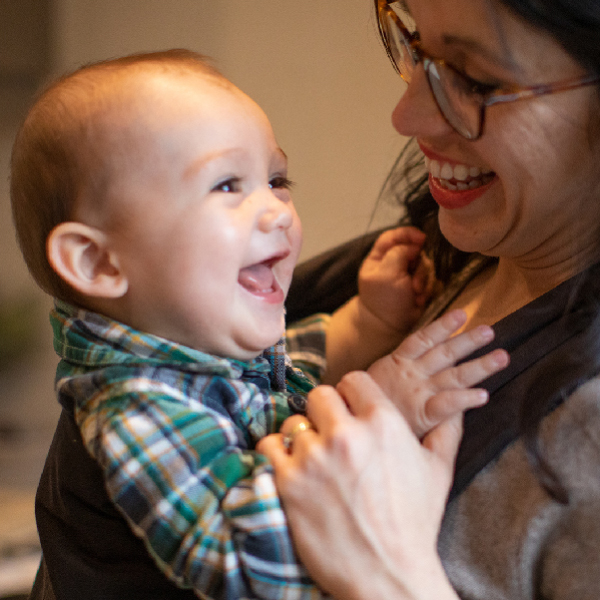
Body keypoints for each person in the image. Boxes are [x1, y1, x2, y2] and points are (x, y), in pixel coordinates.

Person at [10, 50, 508, 600]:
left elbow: (296, 365)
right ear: (99, 263)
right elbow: (244, 557)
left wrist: (368, 320)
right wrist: (375, 416)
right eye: (227, 186)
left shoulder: (202, 354)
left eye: (275, 179)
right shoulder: (138, 405)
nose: (278, 211)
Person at [259, 0, 600, 598]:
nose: (406, 114)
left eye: (475, 79)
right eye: (417, 47)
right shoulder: (406, 273)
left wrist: (389, 577)